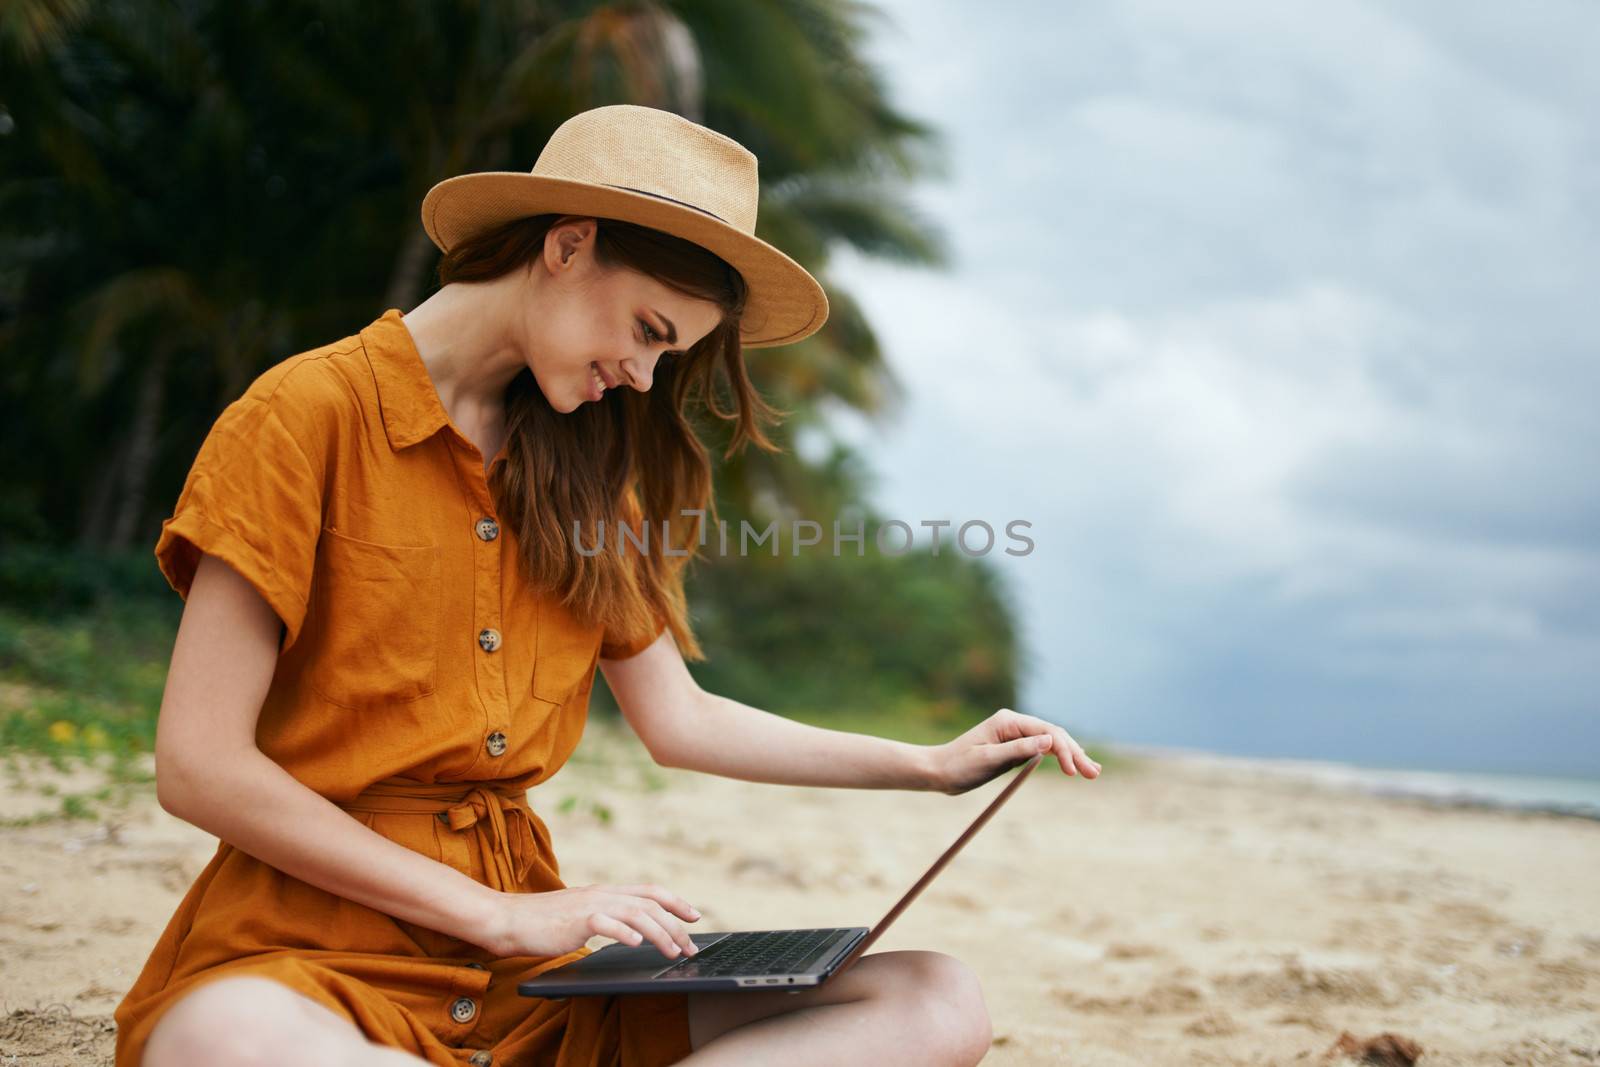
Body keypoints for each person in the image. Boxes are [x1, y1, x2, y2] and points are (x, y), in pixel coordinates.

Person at [114, 104, 1098, 1067]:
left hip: (531, 986)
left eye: (669, 355)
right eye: (649, 329)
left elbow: (680, 719)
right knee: (221, 1036)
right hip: (312, 956)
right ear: (569, 244)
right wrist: (499, 914)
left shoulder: (587, 479)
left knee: (934, 995)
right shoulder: (303, 414)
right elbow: (199, 764)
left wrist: (928, 764)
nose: (642, 373)